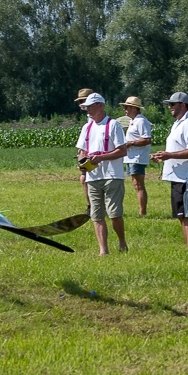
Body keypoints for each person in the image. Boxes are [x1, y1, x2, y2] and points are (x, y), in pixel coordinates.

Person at [74, 92, 130, 255]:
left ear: (100, 105)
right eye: (86, 108)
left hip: (113, 175)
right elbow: (82, 150)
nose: (87, 111)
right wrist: (83, 163)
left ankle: (121, 241)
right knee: (96, 215)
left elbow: (122, 151)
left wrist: (100, 158)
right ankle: (103, 250)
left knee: (114, 213)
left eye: (90, 107)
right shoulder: (87, 127)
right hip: (93, 177)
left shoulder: (113, 125)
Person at [151, 92, 188, 249]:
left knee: (187, 215)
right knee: (181, 215)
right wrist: (163, 156)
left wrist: (169, 155)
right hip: (178, 177)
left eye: (172, 104)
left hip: (187, 177)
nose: (170, 108)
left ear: (183, 105)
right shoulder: (178, 124)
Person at [120, 96, 154, 216]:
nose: (125, 110)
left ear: (134, 108)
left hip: (137, 158)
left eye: (127, 107)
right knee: (136, 184)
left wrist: (131, 143)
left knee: (139, 184)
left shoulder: (141, 121)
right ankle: (141, 211)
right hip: (131, 157)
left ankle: (142, 212)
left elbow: (147, 139)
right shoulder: (133, 121)